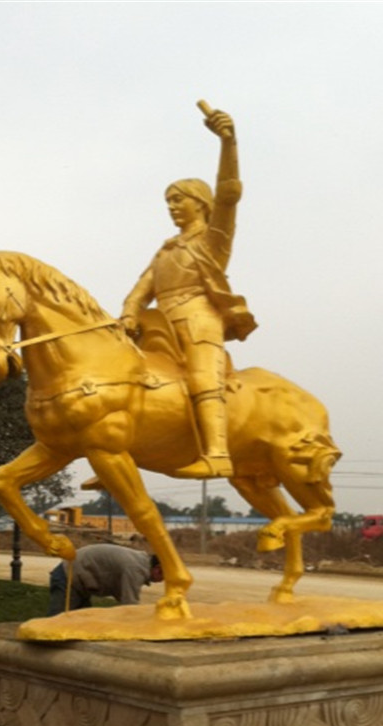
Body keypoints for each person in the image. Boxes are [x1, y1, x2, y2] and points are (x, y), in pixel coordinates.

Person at [120, 104, 256, 479]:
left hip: (199, 322)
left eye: (178, 200)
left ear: (200, 203)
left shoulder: (213, 241)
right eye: (168, 202)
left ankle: (217, 454)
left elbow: (229, 194)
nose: (172, 207)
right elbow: (139, 290)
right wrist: (129, 313)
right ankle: (121, 451)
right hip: (158, 326)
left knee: (202, 380)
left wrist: (228, 142)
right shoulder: (166, 249)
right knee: (124, 378)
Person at [48, 544, 164, 616]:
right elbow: (129, 607)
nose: (162, 581)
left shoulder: (139, 562)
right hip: (68, 577)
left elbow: (123, 596)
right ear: (158, 569)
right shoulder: (135, 569)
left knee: (81, 624)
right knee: (55, 624)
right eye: (164, 577)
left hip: (78, 580)